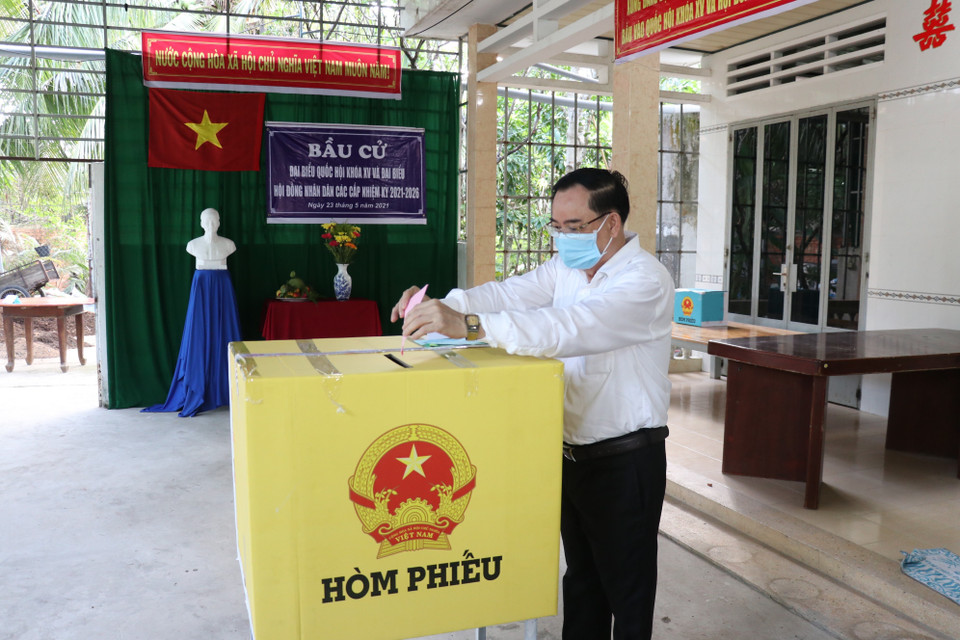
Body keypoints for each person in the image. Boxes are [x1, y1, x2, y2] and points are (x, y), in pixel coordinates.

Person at [391, 167, 675, 639]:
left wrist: (471, 326)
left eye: (575, 227)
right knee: (582, 582)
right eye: (556, 227)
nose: (563, 239)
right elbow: (508, 294)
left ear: (612, 223)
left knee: (627, 590)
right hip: (570, 454)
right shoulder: (566, 268)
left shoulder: (644, 282)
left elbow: (568, 328)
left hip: (626, 460)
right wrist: (442, 306)